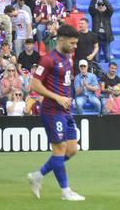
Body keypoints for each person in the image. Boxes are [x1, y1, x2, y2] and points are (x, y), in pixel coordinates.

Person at [27, 23, 86, 202]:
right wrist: (57, 97)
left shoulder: (67, 59)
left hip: (66, 110)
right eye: (73, 43)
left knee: (72, 149)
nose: (75, 46)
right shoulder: (48, 59)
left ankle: (37, 175)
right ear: (61, 39)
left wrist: (66, 99)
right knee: (59, 149)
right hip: (52, 111)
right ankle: (65, 191)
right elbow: (34, 84)